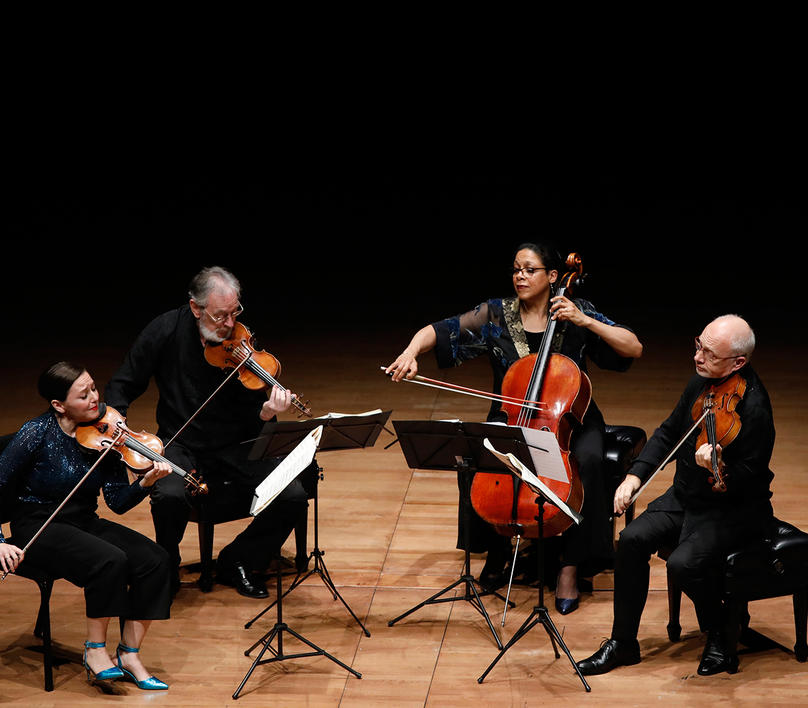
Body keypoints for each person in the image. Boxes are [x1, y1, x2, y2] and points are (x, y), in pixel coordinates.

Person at [386, 242, 643, 614]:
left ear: (553, 277)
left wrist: (586, 321)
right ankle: (497, 549)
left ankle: (571, 564)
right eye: (515, 270)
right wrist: (411, 352)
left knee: (587, 461)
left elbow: (633, 347)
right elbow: (440, 330)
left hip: (570, 416)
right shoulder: (496, 314)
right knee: (474, 455)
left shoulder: (576, 310)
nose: (520, 276)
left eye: (529, 269)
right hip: (511, 415)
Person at [576, 314, 774, 677]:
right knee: (632, 539)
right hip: (686, 497)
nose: (698, 357)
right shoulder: (701, 384)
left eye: (710, 354)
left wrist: (720, 467)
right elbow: (668, 434)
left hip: (732, 509)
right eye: (698, 345)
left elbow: (752, 477)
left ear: (738, 363)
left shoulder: (755, 409)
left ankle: (721, 634)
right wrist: (634, 478)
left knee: (682, 564)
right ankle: (623, 643)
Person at [104, 266, 314, 599]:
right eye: (220, 316)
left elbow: (253, 412)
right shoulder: (165, 330)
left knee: (293, 496)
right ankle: (166, 566)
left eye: (235, 313)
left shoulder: (241, 342)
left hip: (237, 442)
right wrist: (117, 422)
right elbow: (123, 384)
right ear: (195, 308)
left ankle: (239, 560)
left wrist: (268, 411)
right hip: (181, 442)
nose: (230, 324)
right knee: (169, 494)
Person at [0, 362, 172, 690]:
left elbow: (118, 502)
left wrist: (145, 482)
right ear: (58, 405)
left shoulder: (103, 433)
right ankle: (94, 651)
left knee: (155, 560)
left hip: (82, 521)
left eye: (94, 388)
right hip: (37, 526)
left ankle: (129, 654)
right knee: (110, 560)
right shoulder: (36, 432)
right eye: (84, 395)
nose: (95, 399)